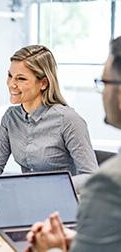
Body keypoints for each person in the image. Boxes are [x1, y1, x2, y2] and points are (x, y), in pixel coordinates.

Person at [26, 37, 121, 252]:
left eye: (103, 82)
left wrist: (49, 249)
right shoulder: (11, 118)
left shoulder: (109, 184)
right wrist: (83, 241)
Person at [0, 45, 98, 201]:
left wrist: (47, 186)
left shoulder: (68, 120)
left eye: (21, 79)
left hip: (63, 202)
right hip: (29, 200)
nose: (12, 84)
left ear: (43, 83)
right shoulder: (10, 118)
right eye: (10, 76)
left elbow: (90, 177)